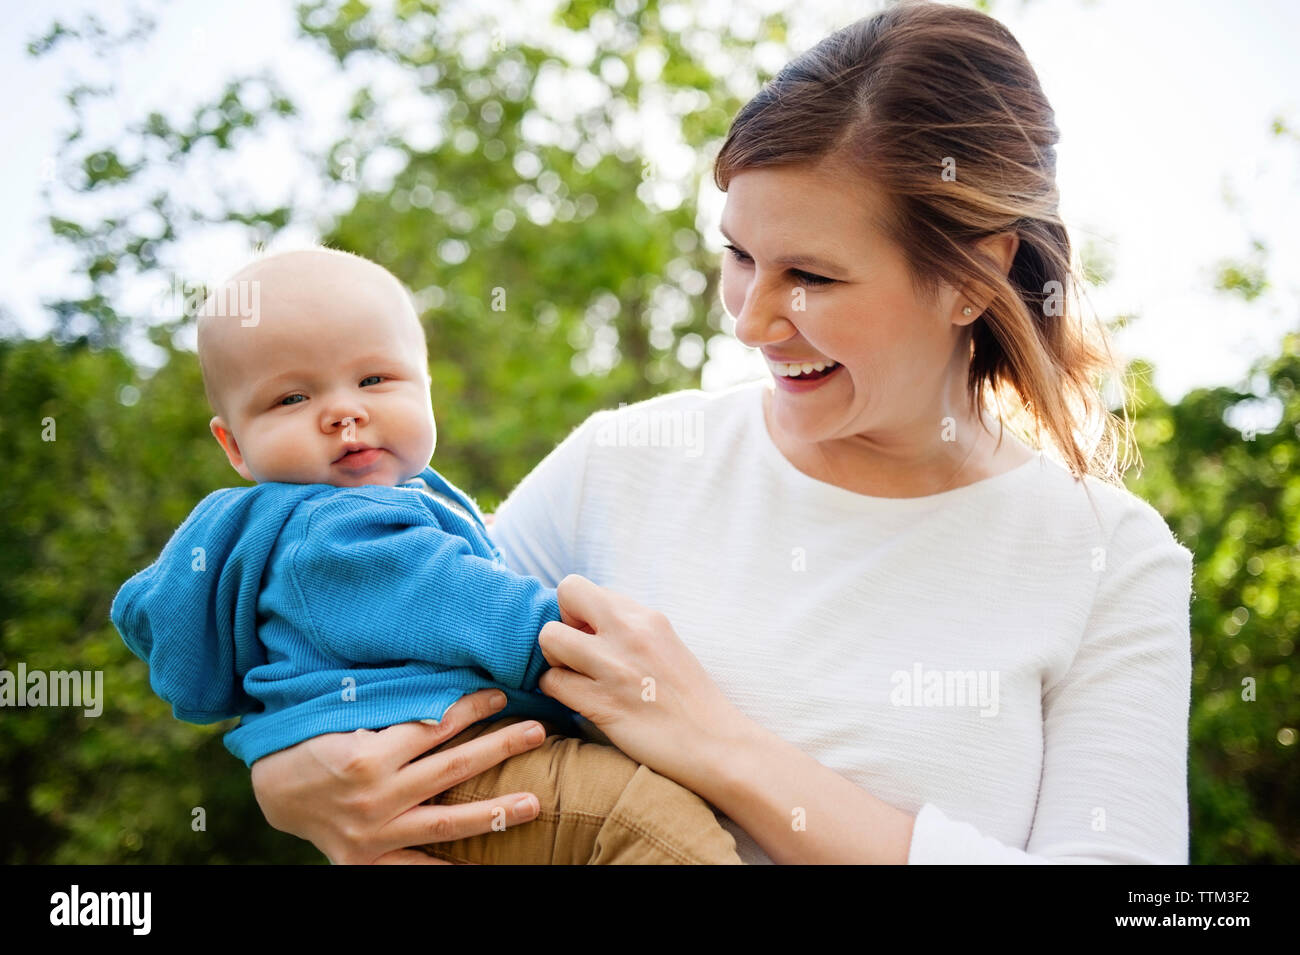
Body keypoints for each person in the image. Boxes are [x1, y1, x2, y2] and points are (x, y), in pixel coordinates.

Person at [246, 1, 1194, 865]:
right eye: (740, 255)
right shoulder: (621, 462)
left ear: (973, 278)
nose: (749, 320)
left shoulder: (1110, 561)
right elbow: (374, 679)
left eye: (812, 277)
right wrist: (288, 787)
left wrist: (721, 746)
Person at [110, 247, 743, 864]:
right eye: (292, 399)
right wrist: (583, 633)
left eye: (373, 379)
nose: (344, 412)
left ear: (426, 386)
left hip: (431, 768)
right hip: (436, 766)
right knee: (651, 823)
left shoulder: (338, 522)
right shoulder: (329, 532)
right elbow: (460, 599)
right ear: (235, 446)